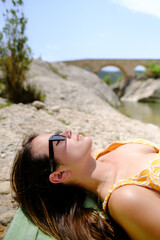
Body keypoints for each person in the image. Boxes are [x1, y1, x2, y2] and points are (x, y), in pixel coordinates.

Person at [11, 129, 160, 240]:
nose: (67, 132)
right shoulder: (125, 198)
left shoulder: (102, 154)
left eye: (59, 132)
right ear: (60, 175)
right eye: (58, 140)